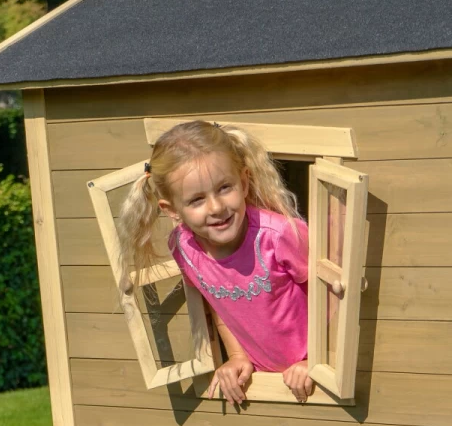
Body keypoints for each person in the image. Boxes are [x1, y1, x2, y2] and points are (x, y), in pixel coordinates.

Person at [116, 119, 312, 405]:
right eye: (196, 200)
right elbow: (217, 301)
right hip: (268, 381)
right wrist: (237, 356)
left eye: (224, 188)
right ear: (172, 210)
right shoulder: (184, 248)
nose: (217, 207)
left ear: (244, 183)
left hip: (313, 370)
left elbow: (332, 297)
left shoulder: (279, 235)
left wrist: (317, 360)